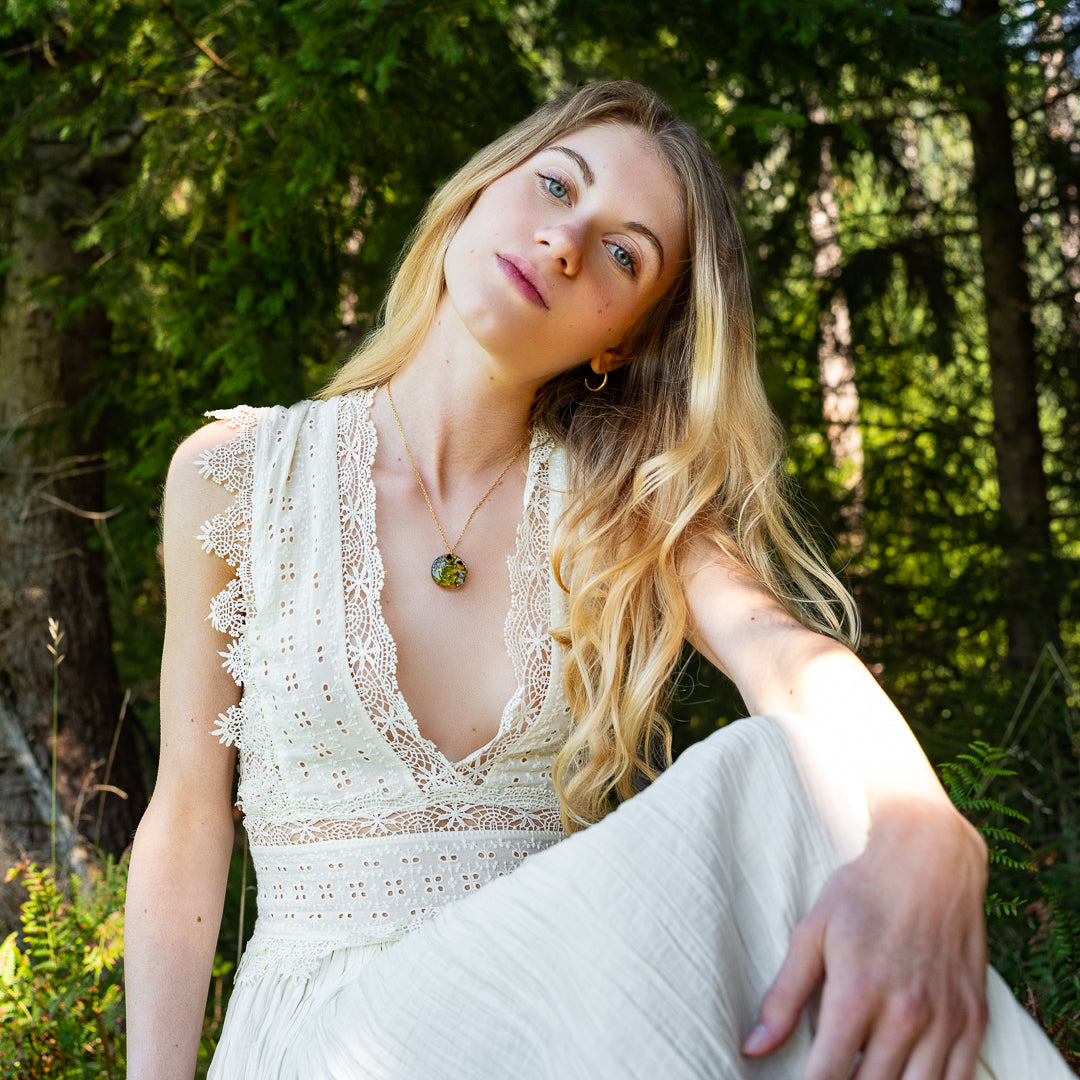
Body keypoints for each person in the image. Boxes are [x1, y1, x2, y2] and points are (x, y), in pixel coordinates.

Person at [124, 81, 1073, 1079]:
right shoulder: (237, 476)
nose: (565, 242)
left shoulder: (618, 506)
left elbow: (787, 661)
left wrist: (932, 834)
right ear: (480, 194)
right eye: (553, 186)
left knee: (778, 768)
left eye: (623, 254)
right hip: (324, 1044)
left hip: (545, 1027)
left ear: (617, 340)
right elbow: (189, 809)